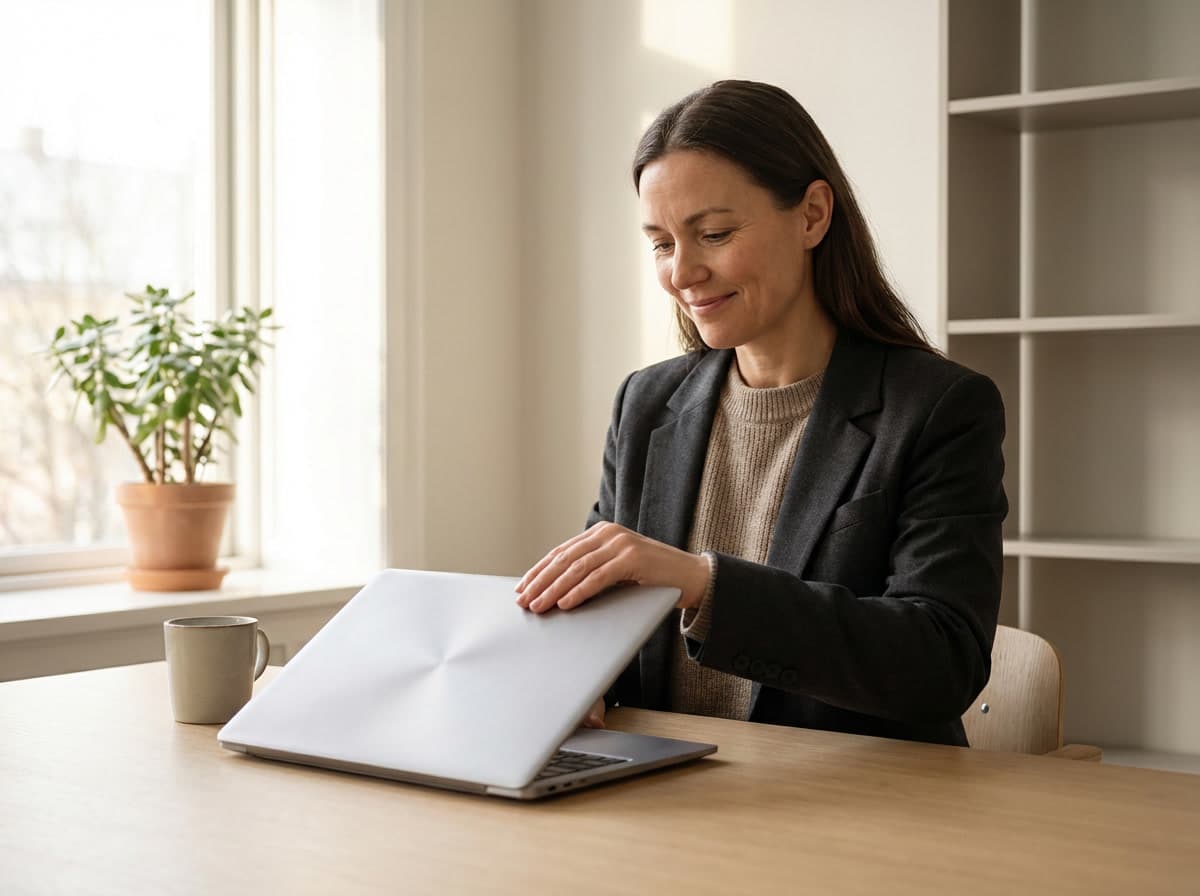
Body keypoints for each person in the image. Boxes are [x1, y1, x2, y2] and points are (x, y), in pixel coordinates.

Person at [514, 80, 1006, 747]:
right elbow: (598, 606)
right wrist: (580, 673)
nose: (682, 273)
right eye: (661, 244)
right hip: (667, 797)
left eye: (712, 234)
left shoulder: (939, 408)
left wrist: (703, 584)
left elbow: (941, 662)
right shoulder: (647, 404)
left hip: (861, 812)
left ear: (812, 215)